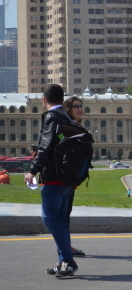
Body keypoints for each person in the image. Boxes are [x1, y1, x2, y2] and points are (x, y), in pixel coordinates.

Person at [25, 84, 79, 277]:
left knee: (49, 218)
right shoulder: (66, 117)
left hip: (54, 176)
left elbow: (46, 146)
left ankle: (67, 260)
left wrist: (33, 170)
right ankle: (62, 261)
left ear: (44, 100)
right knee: (61, 219)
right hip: (67, 178)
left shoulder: (51, 117)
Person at [61, 96, 87, 257]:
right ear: (68, 109)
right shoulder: (67, 127)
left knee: (65, 212)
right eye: (76, 106)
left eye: (81, 106)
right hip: (64, 177)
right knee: (62, 214)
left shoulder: (74, 127)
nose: (80, 109)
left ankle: (66, 246)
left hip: (71, 177)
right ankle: (64, 248)